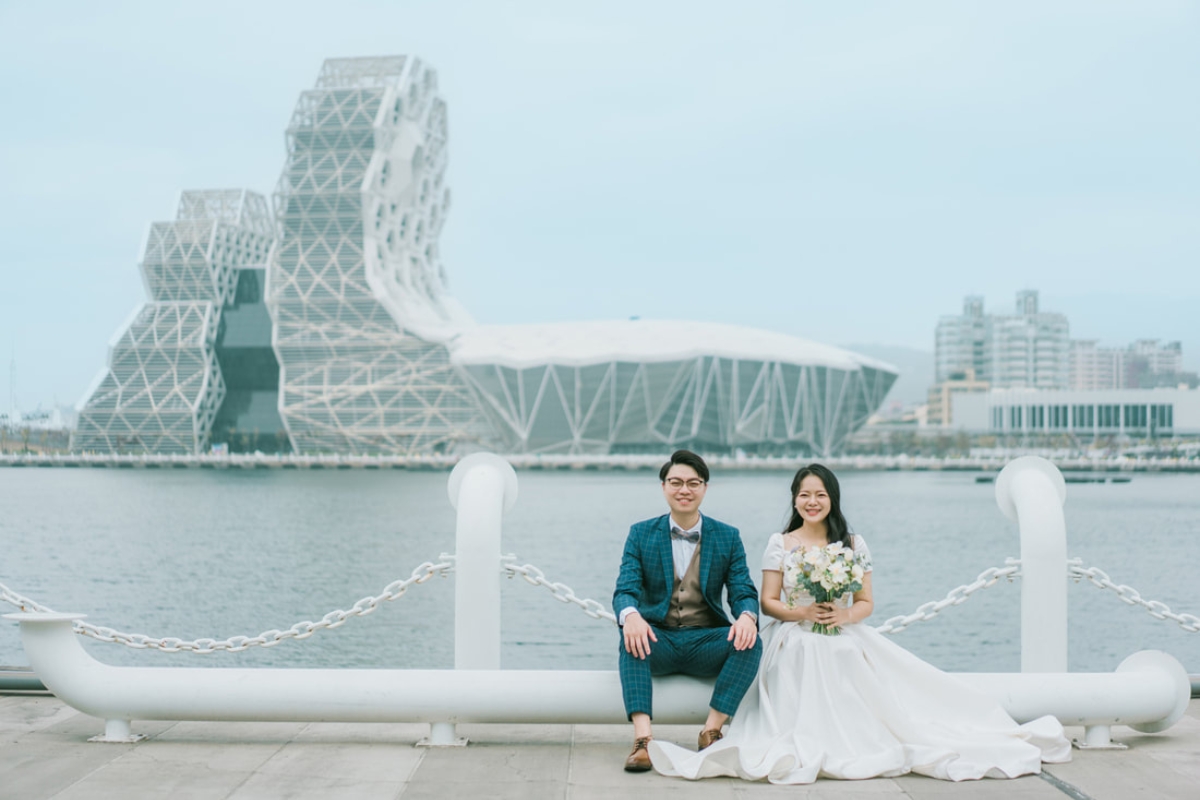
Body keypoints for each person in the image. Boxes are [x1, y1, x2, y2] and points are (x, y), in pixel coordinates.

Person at [649, 463, 1072, 784]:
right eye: (804, 495)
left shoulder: (852, 544)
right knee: (800, 651)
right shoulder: (781, 543)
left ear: (832, 498)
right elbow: (768, 602)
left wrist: (842, 615)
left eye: (820, 494)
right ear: (794, 499)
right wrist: (802, 614)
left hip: (842, 630)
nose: (812, 502)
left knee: (847, 651)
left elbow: (866, 602)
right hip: (792, 633)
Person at [613, 449, 763, 772]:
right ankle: (643, 740)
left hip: (705, 640)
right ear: (664, 486)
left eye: (693, 483)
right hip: (659, 638)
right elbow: (625, 588)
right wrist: (632, 615)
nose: (685, 490)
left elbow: (743, 590)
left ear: (705, 488)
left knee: (752, 642)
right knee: (631, 637)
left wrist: (748, 616)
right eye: (676, 482)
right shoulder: (640, 534)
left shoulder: (728, 536)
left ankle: (711, 730)